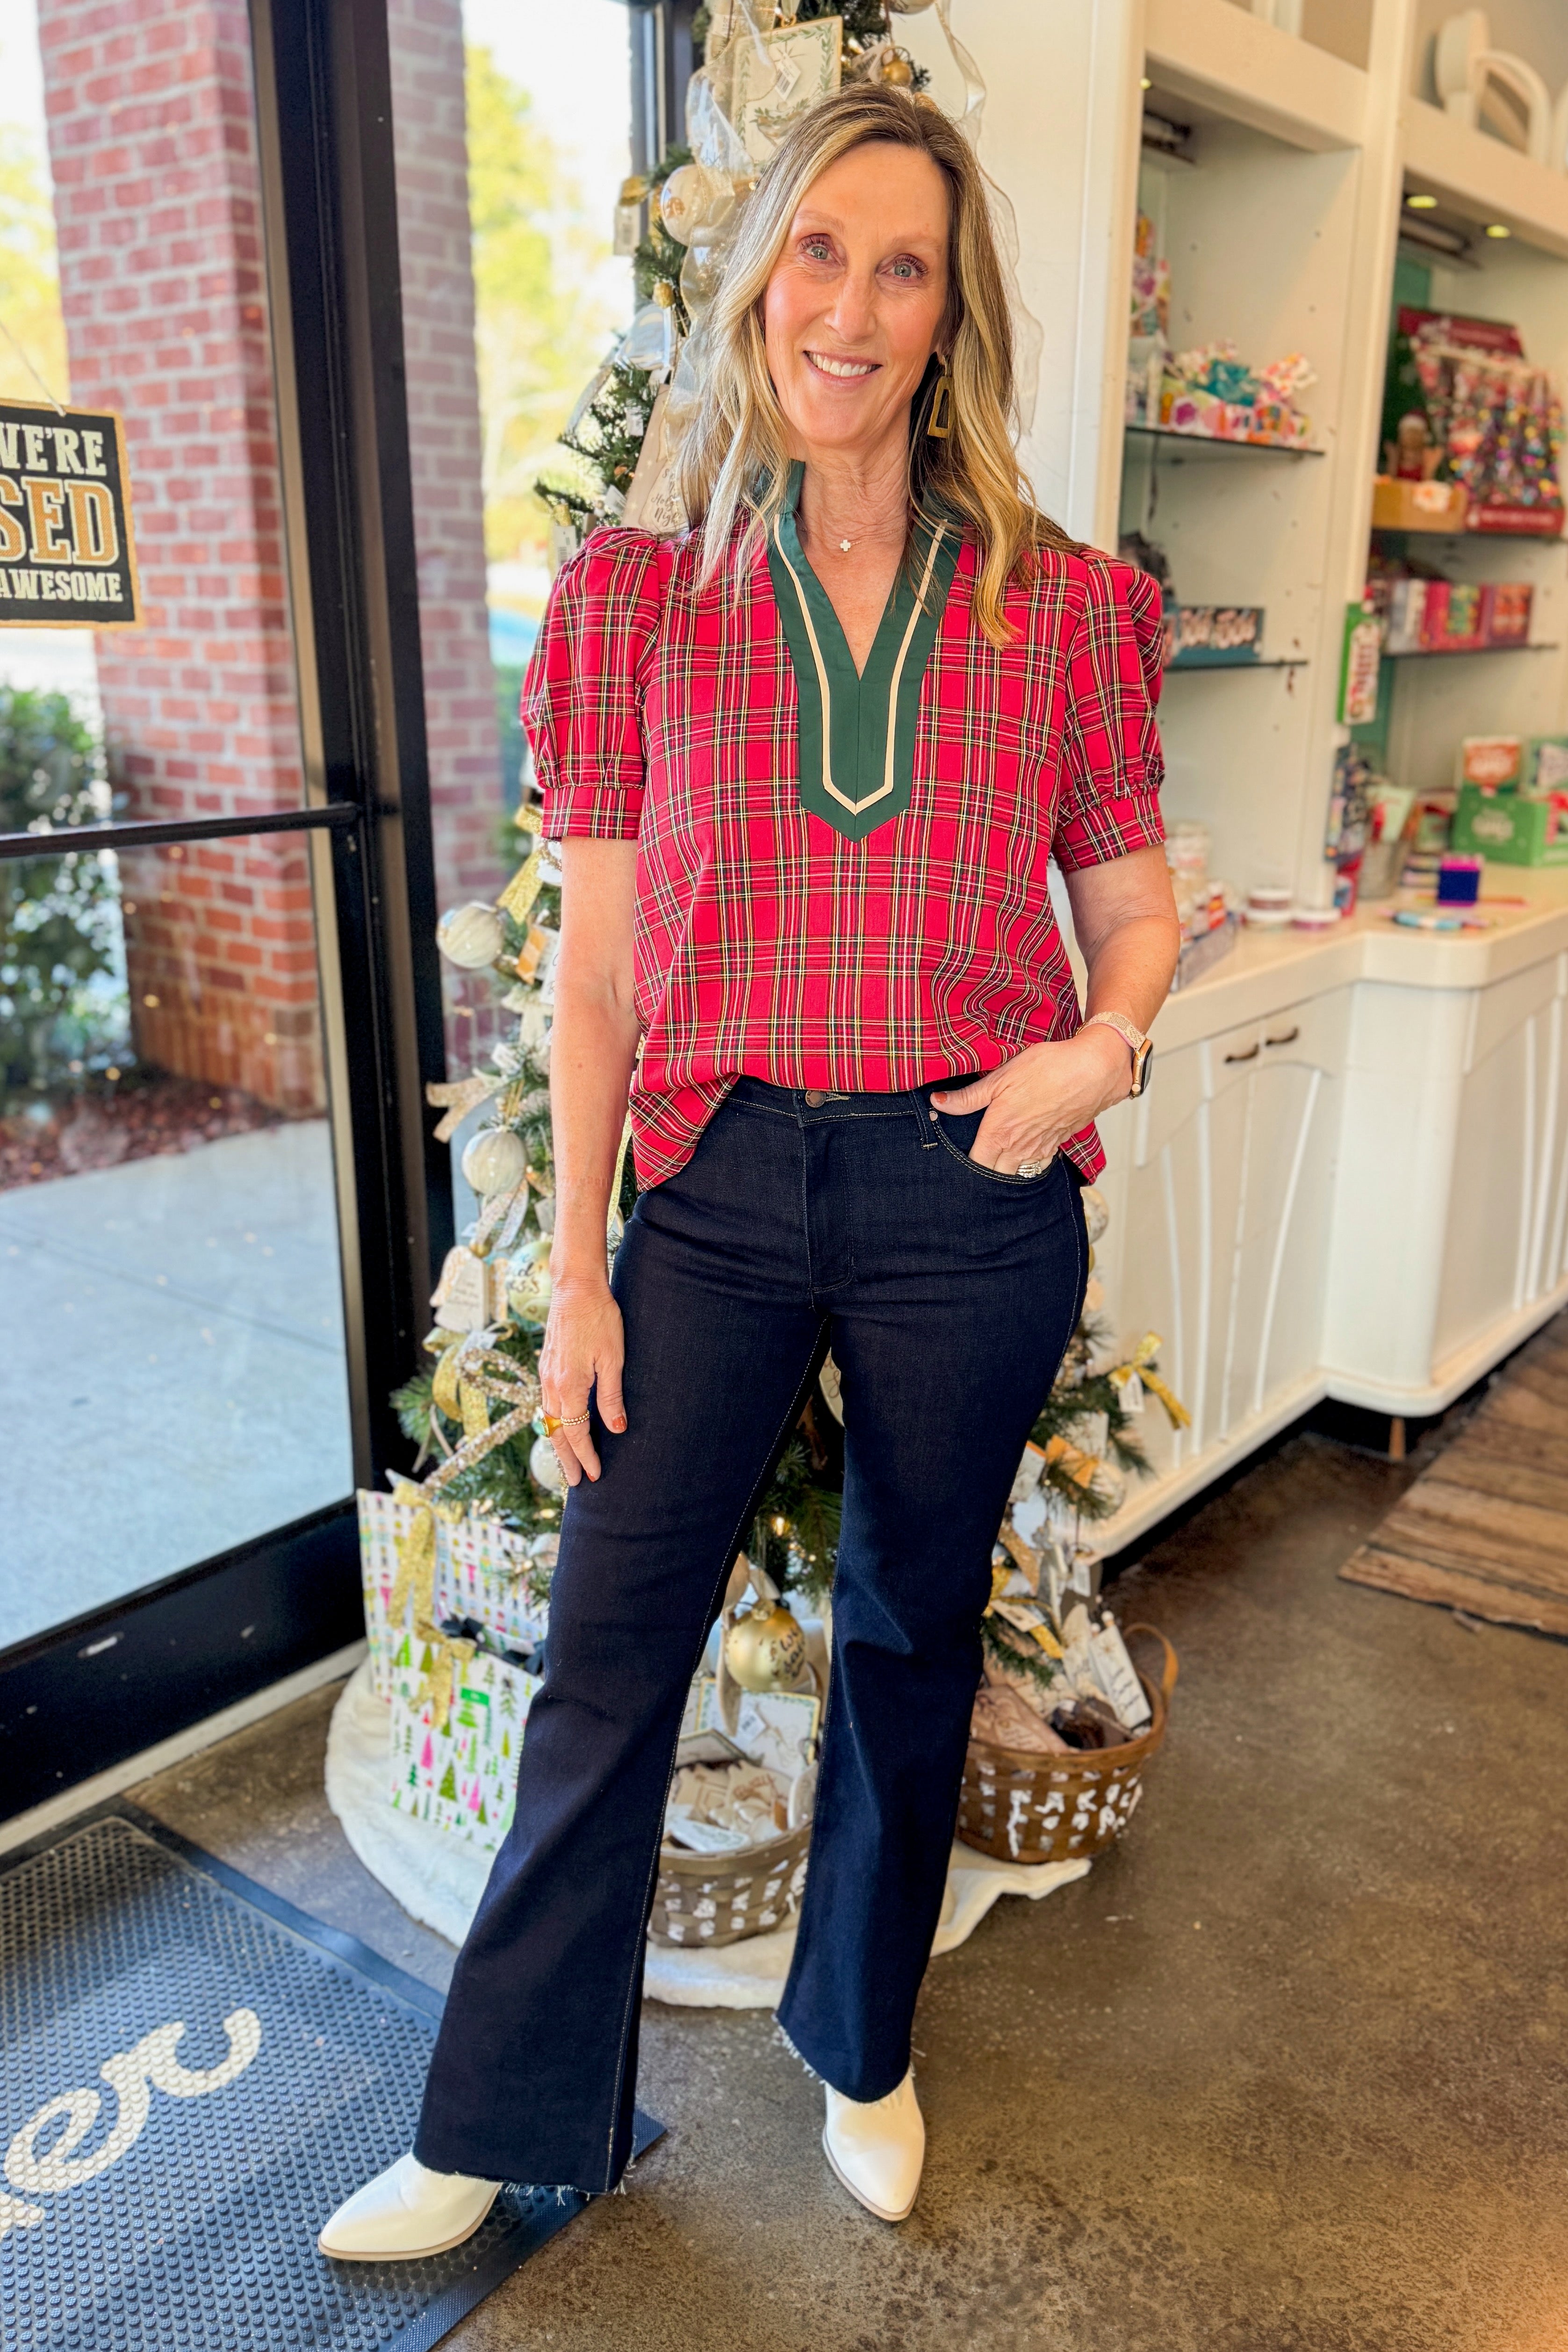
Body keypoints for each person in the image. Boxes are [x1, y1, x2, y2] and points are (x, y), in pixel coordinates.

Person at [319, 80, 1179, 2258]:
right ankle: (495, 2114)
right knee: (606, 1646)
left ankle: (858, 2045)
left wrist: (1094, 1051)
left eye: (903, 269)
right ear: (755, 275)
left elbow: (1132, 905)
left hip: (965, 1188)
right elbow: (599, 972)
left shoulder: (1058, 605)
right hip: (709, 1188)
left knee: (906, 1628)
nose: (851, 311)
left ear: (948, 312)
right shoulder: (636, 595)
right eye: (819, 252)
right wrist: (576, 1275)